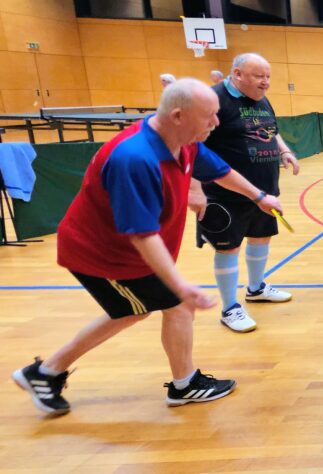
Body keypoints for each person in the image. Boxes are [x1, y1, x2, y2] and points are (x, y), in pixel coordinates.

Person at [10, 78, 284, 416]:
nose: (216, 122)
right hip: (104, 255)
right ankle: (185, 384)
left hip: (128, 251)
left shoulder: (183, 140)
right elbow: (142, 235)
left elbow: (220, 171)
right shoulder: (135, 158)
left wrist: (259, 197)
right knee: (175, 306)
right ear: (178, 115)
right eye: (209, 115)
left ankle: (45, 372)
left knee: (133, 311)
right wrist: (180, 285)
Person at [199, 53, 300, 333]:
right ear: (237, 74)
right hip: (225, 193)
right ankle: (229, 308)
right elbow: (192, 145)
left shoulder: (261, 99)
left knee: (260, 237)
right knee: (228, 247)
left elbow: (271, 131)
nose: (265, 82)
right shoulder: (214, 100)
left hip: (265, 190)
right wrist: (194, 188)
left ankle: (256, 288)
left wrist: (285, 151)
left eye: (268, 76)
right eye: (259, 76)